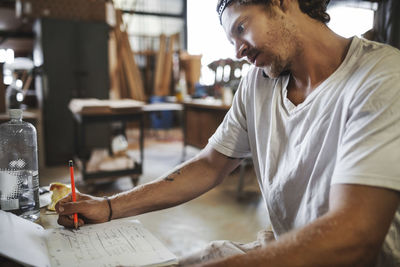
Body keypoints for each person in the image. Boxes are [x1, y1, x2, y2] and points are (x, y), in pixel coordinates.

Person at [56, 0, 400, 266]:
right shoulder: (258, 83)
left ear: (282, 3)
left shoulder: (381, 76)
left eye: (241, 27)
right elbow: (210, 165)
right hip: (287, 250)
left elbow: (356, 236)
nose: (238, 51)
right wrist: (110, 206)